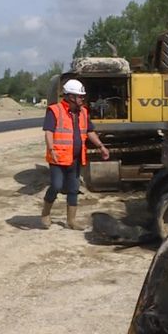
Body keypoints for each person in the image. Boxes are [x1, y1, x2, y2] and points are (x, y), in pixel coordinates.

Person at [41, 79, 109, 230]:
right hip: (58, 158)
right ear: (71, 97)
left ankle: (71, 221)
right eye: (80, 96)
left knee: (73, 189)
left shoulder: (83, 112)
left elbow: (89, 131)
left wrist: (101, 146)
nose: (82, 99)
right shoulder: (55, 110)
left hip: (76, 158)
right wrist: (51, 148)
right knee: (56, 186)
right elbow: (49, 131)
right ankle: (45, 213)